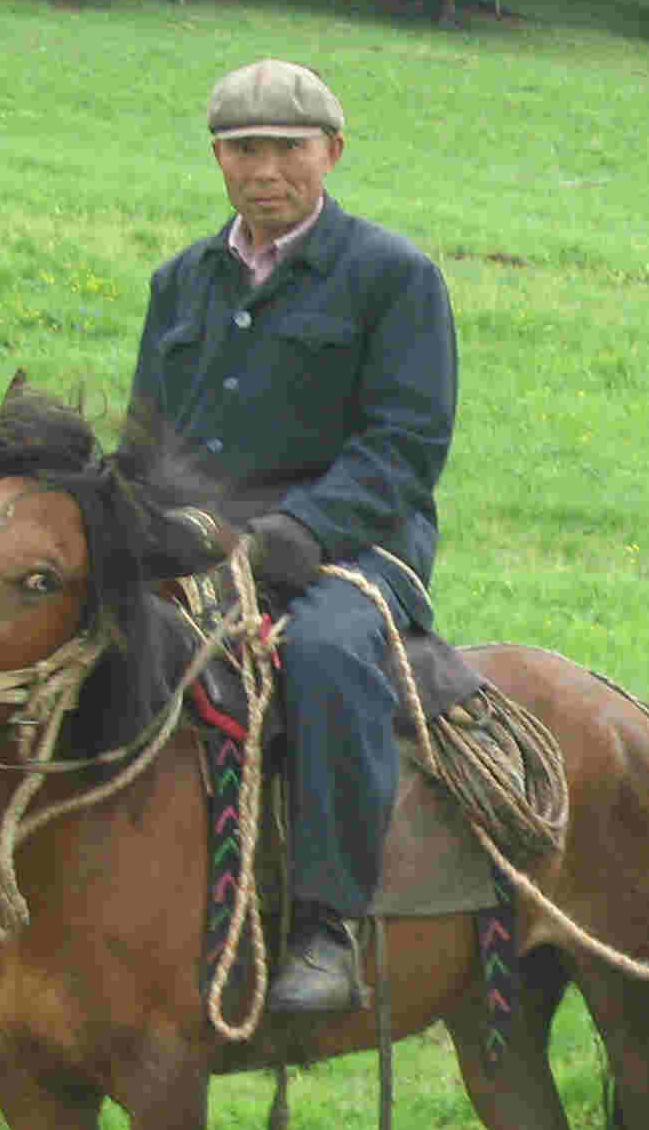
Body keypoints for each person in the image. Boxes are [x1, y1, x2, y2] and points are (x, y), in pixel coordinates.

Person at [129, 58, 458, 1018]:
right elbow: (150, 441)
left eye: (287, 148)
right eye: (242, 148)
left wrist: (302, 529)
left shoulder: (394, 278)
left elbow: (404, 446)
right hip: (207, 541)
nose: (264, 168)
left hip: (361, 544)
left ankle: (326, 925)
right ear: (217, 157)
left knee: (322, 652)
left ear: (333, 153)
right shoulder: (181, 281)